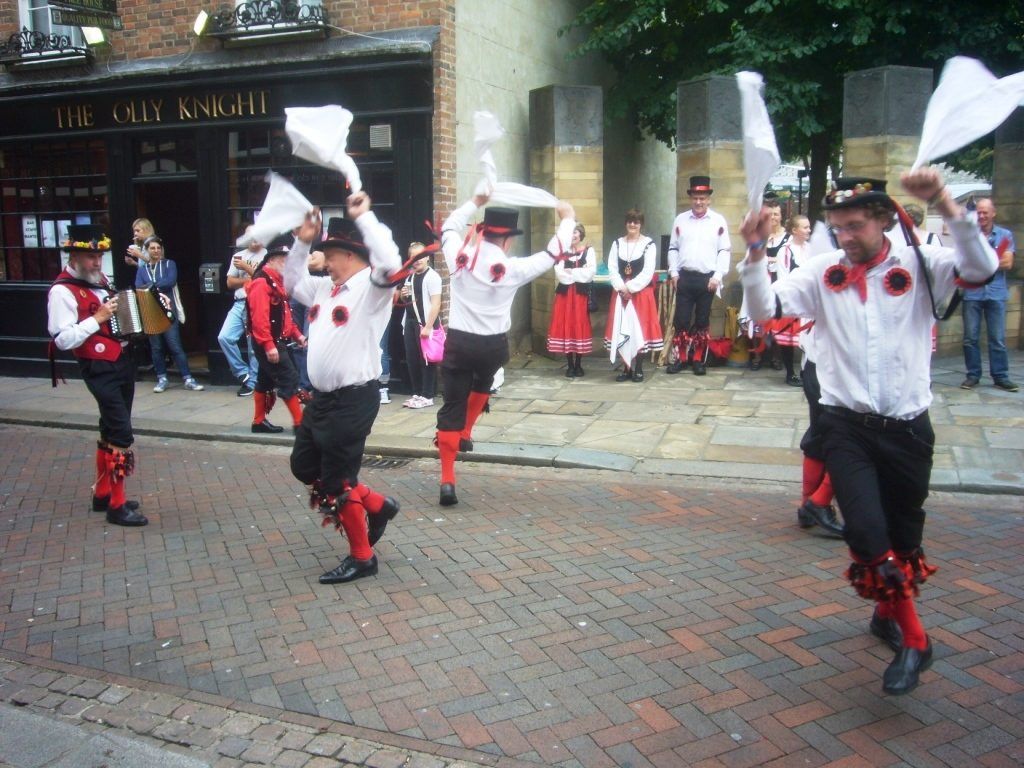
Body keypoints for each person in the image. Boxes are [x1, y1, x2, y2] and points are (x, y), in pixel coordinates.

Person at [739, 169, 998, 696]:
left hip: (907, 428)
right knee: (864, 530)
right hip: (845, 425)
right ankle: (917, 641)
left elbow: (983, 265)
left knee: (903, 536)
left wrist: (946, 202)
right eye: (837, 228)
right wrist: (753, 252)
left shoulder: (921, 264)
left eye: (855, 226)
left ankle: (888, 615)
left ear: (884, 219)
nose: (845, 237)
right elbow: (765, 309)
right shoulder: (821, 271)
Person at [283, 193, 403, 585]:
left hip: (354, 399)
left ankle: (362, 557)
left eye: (329, 254)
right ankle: (378, 505)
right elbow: (290, 279)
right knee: (303, 466)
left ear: (349, 254)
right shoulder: (322, 290)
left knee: (338, 480)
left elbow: (390, 262)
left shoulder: (373, 289)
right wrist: (302, 240)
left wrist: (364, 216)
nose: (325, 261)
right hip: (321, 401)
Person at [435, 192, 576, 507]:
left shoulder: (458, 258)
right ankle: (467, 431)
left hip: (459, 342)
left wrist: (474, 201)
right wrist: (567, 218)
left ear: (482, 233)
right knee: (484, 381)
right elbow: (555, 252)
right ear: (508, 240)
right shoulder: (514, 268)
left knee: (451, 405)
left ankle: (447, 480)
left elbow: (447, 229)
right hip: (493, 346)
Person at [47, 224, 148, 527]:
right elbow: (62, 340)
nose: (96, 262)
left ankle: (103, 494)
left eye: (99, 256)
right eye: (90, 257)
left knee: (109, 429)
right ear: (74, 256)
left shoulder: (101, 281)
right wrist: (98, 318)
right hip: (98, 367)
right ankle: (117, 506)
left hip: (122, 361)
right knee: (121, 433)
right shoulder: (61, 291)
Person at [666, 175, 731, 376]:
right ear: (691, 198)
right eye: (695, 197)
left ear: (709, 199)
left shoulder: (718, 221)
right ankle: (681, 358)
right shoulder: (681, 220)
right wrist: (674, 272)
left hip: (707, 280)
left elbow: (724, 250)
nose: (699, 202)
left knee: (702, 321)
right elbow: (673, 247)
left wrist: (718, 276)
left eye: (702, 198)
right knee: (682, 320)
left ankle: (697, 359)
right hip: (685, 278)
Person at [246, 235, 307, 434]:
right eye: (283, 258)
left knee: (264, 381)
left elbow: (285, 315)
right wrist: (268, 345)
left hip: (276, 341)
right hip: (269, 343)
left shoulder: (276, 282)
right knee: (289, 378)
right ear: (271, 260)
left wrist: (297, 334)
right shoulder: (261, 283)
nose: (287, 263)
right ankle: (300, 424)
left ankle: (258, 421)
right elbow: (259, 318)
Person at [960, 198, 1017, 392]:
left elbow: (1008, 263)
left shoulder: (1004, 235)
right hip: (972, 292)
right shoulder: (969, 236)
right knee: (970, 338)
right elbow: (963, 263)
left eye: (985, 212)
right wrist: (993, 259)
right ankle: (973, 375)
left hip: (996, 293)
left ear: (993, 213)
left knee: (998, 338)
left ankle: (1001, 376)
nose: (982, 216)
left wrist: (981, 261)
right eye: (979, 212)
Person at [135, 236, 204, 393]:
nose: (156, 251)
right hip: (150, 312)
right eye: (152, 248)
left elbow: (170, 281)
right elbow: (139, 286)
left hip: (168, 310)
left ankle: (188, 378)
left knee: (175, 345)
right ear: (146, 250)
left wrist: (151, 287)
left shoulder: (168, 264)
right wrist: (153, 287)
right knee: (157, 347)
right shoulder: (142, 269)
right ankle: (162, 378)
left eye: (158, 248)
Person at [605, 209, 662, 382]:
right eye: (630, 221)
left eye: (636, 222)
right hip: (621, 294)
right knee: (623, 329)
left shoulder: (649, 244)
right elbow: (612, 268)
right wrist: (621, 288)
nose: (632, 224)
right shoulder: (617, 243)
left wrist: (630, 287)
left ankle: (638, 368)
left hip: (640, 294)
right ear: (626, 223)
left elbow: (648, 271)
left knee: (639, 330)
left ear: (641, 224)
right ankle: (626, 368)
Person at [766, 215, 812, 386]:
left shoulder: (811, 249)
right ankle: (790, 373)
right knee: (789, 339)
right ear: (794, 230)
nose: (809, 230)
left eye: (808, 227)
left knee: (808, 337)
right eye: (805, 227)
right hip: (793, 299)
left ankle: (805, 372)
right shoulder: (785, 251)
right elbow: (784, 278)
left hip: (809, 300)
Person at [547, 223, 596, 377]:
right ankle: (569, 364)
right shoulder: (562, 252)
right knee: (566, 324)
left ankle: (578, 364)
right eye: (571, 232)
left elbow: (590, 272)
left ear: (581, 234)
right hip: (565, 295)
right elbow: (559, 273)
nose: (573, 235)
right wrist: (577, 273)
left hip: (580, 295)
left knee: (579, 324)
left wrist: (572, 272)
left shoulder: (589, 251)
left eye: (576, 232)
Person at [218, 238, 264, 397]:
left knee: (253, 345)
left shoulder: (267, 256)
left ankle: (252, 382)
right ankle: (243, 372)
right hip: (239, 303)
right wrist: (249, 279)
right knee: (224, 337)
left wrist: (245, 268)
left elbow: (263, 279)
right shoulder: (238, 256)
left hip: (255, 302)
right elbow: (230, 283)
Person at [401, 242, 443, 408]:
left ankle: (427, 395)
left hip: (425, 324)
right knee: (412, 359)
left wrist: (427, 327)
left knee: (427, 360)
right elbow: (408, 301)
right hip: (410, 323)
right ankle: (417, 393)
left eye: (419, 257)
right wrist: (404, 296)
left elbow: (436, 304)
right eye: (413, 257)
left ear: (426, 257)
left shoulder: (433, 277)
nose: (416, 260)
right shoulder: (410, 277)